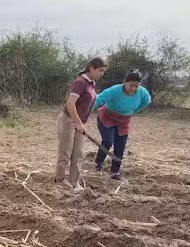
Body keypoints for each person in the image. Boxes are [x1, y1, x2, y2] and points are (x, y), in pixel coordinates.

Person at [55, 56, 108, 190]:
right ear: (91, 68)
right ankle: (59, 183)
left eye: (103, 71)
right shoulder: (80, 82)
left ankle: (74, 183)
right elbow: (70, 104)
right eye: (100, 70)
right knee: (65, 153)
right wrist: (78, 122)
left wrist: (81, 123)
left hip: (79, 122)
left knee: (78, 153)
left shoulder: (91, 84)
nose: (101, 74)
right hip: (69, 120)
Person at [92, 69, 151, 181]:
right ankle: (98, 163)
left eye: (136, 86)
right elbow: (98, 100)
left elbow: (146, 101)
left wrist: (135, 110)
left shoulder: (142, 92)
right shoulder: (114, 90)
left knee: (120, 147)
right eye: (131, 85)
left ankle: (115, 171)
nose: (133, 88)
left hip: (124, 121)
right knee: (108, 141)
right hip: (106, 117)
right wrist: (85, 112)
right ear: (125, 82)